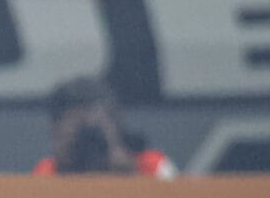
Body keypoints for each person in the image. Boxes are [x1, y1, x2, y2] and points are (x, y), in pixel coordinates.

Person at [32, 75, 175, 177]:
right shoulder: (47, 174)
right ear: (56, 134)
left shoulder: (151, 167)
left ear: (115, 127)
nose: (87, 141)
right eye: (77, 129)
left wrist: (131, 175)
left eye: (94, 130)